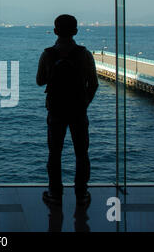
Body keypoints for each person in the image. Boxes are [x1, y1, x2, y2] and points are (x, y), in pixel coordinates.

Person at [37, 14, 99, 206]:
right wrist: (84, 102)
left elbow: (40, 81)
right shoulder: (84, 54)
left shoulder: (48, 54)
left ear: (55, 31)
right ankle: (81, 192)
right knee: (82, 153)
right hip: (79, 110)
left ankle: (55, 193)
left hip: (55, 110)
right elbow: (94, 84)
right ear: (76, 31)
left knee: (54, 153)